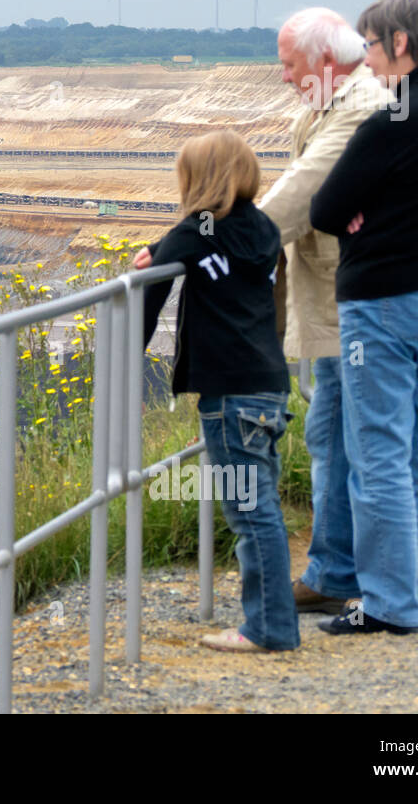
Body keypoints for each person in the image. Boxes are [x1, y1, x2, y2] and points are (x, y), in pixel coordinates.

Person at [310, 0, 418, 636]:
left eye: (372, 48)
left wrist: (363, 213)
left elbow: (327, 209)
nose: (369, 63)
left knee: (377, 452)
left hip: (383, 307)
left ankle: (386, 604)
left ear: (401, 44)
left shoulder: (395, 116)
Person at [135, 131, 296, 652]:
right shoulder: (265, 227)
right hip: (268, 385)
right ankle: (272, 622)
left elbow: (154, 284)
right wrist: (162, 248)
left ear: (198, 181)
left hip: (229, 394)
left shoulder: (197, 229)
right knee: (261, 506)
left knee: (251, 514)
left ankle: (269, 629)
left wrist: (124, 357)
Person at [257, 8, 391, 617]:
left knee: (346, 436)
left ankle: (351, 575)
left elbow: (304, 187)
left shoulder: (360, 105)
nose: (283, 76)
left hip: (354, 301)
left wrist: (222, 240)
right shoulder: (325, 102)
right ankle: (337, 568)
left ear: (324, 62)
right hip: (339, 297)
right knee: (334, 432)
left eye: (289, 64)